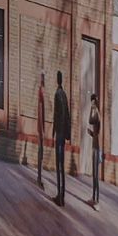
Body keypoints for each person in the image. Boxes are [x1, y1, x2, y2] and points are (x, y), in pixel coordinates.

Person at [51, 71, 70, 206]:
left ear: (56, 80)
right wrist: (67, 134)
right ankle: (62, 195)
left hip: (59, 133)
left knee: (58, 165)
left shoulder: (57, 94)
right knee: (61, 166)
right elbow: (67, 115)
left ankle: (60, 196)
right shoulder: (64, 95)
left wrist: (55, 131)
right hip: (63, 134)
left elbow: (57, 115)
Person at [86, 91, 103, 207]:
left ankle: (96, 199)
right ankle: (93, 197)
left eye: (92, 101)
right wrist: (91, 133)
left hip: (97, 148)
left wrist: (92, 108)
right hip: (95, 146)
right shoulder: (97, 113)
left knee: (96, 175)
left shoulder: (96, 113)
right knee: (94, 174)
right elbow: (96, 133)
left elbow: (90, 120)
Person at [34, 71, 46, 182]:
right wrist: (42, 129)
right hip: (40, 128)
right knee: (40, 151)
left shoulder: (41, 94)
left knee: (41, 152)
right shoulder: (41, 94)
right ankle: (39, 176)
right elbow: (41, 113)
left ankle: (39, 175)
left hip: (41, 128)